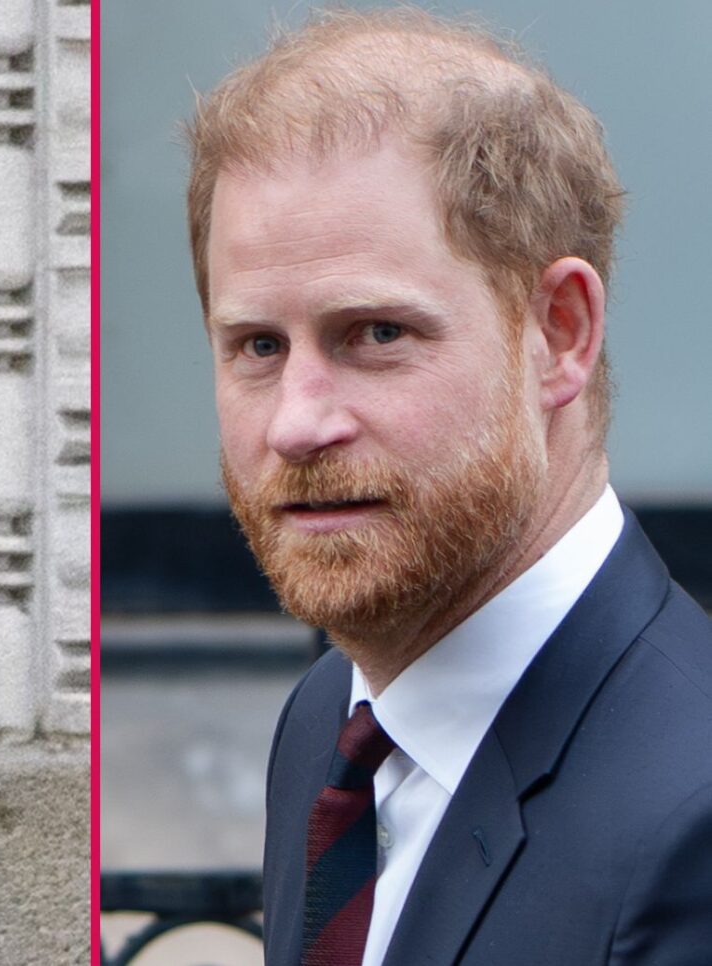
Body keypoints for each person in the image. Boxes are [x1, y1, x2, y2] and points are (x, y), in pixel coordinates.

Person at [186, 8, 712, 965]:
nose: (298, 422)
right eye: (259, 345)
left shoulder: (693, 819)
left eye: (378, 334)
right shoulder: (328, 721)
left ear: (559, 333)